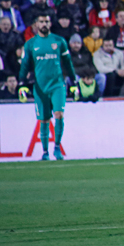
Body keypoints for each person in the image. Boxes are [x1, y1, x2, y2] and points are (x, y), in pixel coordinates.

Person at [18, 12, 77, 160]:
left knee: (59, 114)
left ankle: (57, 147)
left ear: (50, 24)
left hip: (57, 85)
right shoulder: (30, 44)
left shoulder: (59, 41)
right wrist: (21, 84)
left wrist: (74, 83)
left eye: (47, 21)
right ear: (36, 25)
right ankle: (45, 152)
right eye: (42, 22)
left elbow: (68, 63)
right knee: (43, 120)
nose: (44, 24)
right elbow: (24, 66)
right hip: (40, 87)